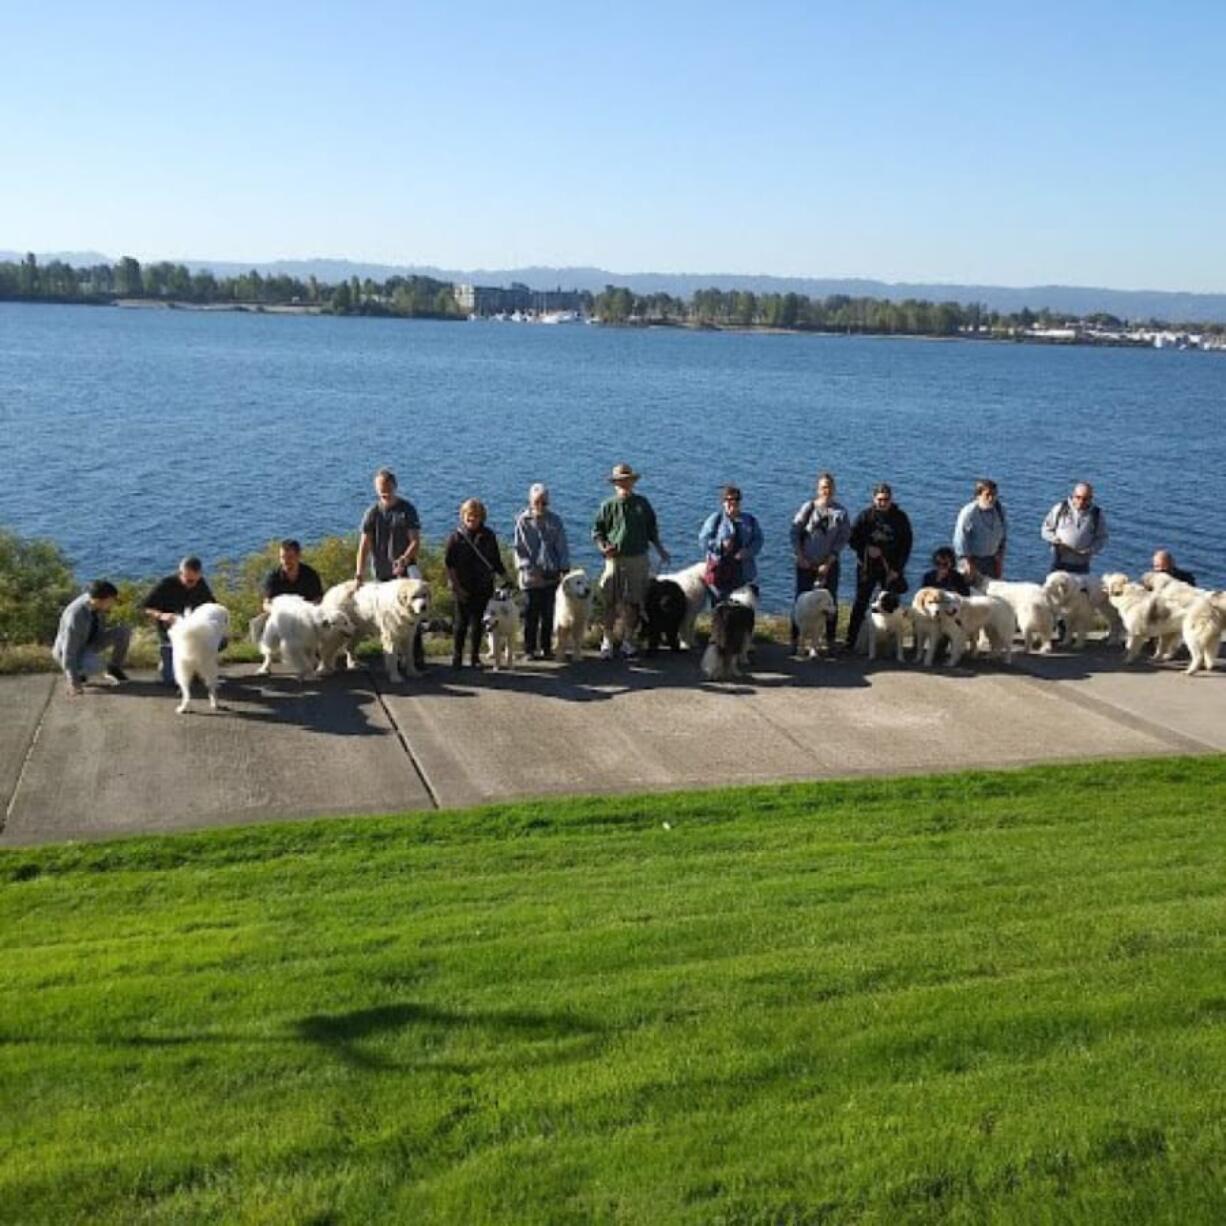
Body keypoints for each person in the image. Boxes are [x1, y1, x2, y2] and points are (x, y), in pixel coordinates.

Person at [592, 462, 671, 659]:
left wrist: (660, 549)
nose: (624, 484)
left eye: (626, 480)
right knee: (610, 600)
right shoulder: (608, 506)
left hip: (638, 557)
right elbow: (597, 532)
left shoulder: (642, 503)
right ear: (615, 483)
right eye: (620, 481)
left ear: (632, 482)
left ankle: (628, 640)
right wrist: (604, 547)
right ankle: (607, 641)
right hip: (615, 559)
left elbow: (652, 529)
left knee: (634, 602)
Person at [356, 466, 425, 669]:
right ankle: (391, 662)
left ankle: (414, 660)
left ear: (395, 486)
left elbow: (415, 541)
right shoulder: (372, 513)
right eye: (380, 487)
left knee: (412, 617)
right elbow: (364, 545)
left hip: (405, 575)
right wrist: (359, 572)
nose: (384, 490)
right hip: (382, 575)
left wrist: (404, 558)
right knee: (388, 621)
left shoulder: (407, 510)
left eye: (387, 486)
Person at [845, 483, 913, 653]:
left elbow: (907, 545)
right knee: (860, 604)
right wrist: (866, 548)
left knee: (892, 607)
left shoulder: (900, 518)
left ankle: (891, 645)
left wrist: (897, 570)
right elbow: (851, 539)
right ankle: (851, 642)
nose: (883, 502)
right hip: (867, 568)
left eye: (886, 499)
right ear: (874, 499)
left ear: (891, 499)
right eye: (880, 499)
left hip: (890, 570)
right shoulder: (865, 517)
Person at [789, 471, 850, 654]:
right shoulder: (808, 508)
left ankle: (828, 640)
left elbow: (843, 539)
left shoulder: (840, 513)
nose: (827, 490)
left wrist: (829, 561)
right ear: (818, 488)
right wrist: (800, 556)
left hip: (829, 564)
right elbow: (794, 532)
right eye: (824, 487)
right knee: (800, 602)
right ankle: (796, 640)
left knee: (830, 602)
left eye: (830, 487)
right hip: (805, 564)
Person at [444, 498, 507, 669]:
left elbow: (495, 560)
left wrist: (506, 577)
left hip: (483, 586)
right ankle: (457, 657)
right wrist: (456, 587)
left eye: (476, 516)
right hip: (463, 587)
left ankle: (474, 657)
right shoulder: (456, 538)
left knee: (478, 623)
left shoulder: (488, 536)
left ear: (482, 517)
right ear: (463, 516)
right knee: (460, 624)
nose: (472, 519)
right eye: (469, 516)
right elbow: (449, 565)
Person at [513, 483, 570, 659]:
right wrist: (529, 569)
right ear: (531, 501)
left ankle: (546, 648)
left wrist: (564, 568)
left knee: (548, 614)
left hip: (551, 575)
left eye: (544, 502)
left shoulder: (555, 521)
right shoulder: (523, 522)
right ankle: (529, 649)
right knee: (531, 614)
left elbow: (562, 546)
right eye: (537, 502)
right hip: (530, 577)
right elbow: (519, 549)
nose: (541, 506)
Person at [143, 556, 216, 685]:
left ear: (200, 575)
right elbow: (144, 607)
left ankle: (194, 665)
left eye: (194, 581)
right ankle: (169, 662)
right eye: (188, 580)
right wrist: (161, 615)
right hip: (171, 633)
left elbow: (212, 605)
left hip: (194, 632)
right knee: (173, 682)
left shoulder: (201, 585)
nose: (191, 584)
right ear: (181, 573)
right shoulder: (166, 585)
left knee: (218, 641)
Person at [52, 580, 131, 696]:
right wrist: (73, 683)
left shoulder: (95, 602)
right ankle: (79, 673)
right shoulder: (76, 615)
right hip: (72, 651)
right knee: (97, 665)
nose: (113, 603)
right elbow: (68, 651)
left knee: (123, 632)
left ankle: (114, 669)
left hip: (90, 642)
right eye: (111, 600)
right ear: (100, 600)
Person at [248, 539, 324, 642]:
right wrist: (281, 613)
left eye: (290, 558)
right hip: (281, 616)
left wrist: (303, 611)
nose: (285, 562)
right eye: (282, 558)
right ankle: (266, 654)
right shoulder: (273, 576)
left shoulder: (310, 575)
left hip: (306, 615)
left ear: (298, 556)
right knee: (257, 624)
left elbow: (319, 600)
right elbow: (266, 604)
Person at [699, 486, 764, 603]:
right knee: (720, 609)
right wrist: (720, 545)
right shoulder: (716, 520)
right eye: (728, 500)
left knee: (742, 608)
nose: (732, 503)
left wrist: (747, 552)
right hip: (720, 573)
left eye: (736, 500)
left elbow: (758, 541)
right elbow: (703, 541)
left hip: (743, 573)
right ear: (723, 502)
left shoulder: (750, 521)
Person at [1042, 481, 1108, 574]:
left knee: (1080, 588)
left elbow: (1102, 538)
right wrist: (1056, 540)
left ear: (1091, 499)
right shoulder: (1060, 508)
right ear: (1073, 495)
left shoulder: (1096, 515)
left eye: (1085, 499)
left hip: (1082, 565)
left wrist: (1091, 550)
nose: (1081, 501)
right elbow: (1046, 529)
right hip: (1059, 562)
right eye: (1078, 497)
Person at [953, 478, 1007, 579]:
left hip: (991, 561)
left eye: (994, 495)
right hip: (972, 561)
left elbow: (1003, 537)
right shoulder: (968, 513)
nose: (991, 498)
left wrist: (1000, 560)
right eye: (987, 495)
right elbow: (960, 540)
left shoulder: (1000, 511)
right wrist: (967, 563)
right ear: (978, 496)